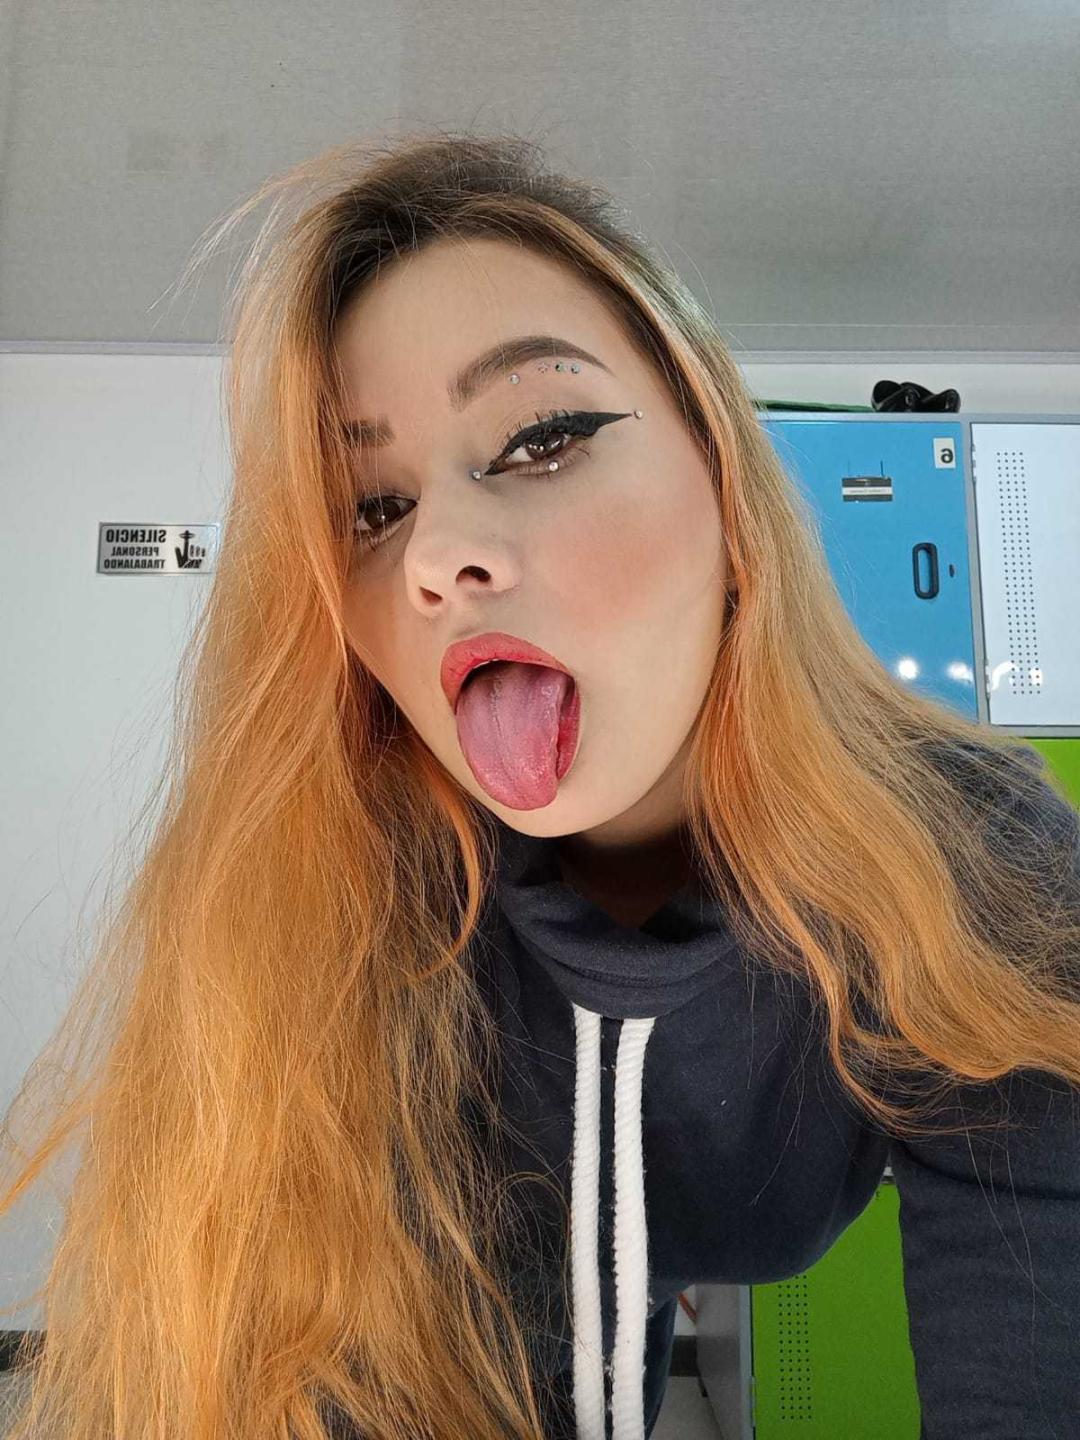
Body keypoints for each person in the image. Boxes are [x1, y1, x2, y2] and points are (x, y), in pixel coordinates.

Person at [2, 130, 1079, 1440]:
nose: (438, 554)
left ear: (723, 475)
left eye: (543, 437)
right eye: (372, 507)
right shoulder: (339, 910)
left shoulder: (978, 852)